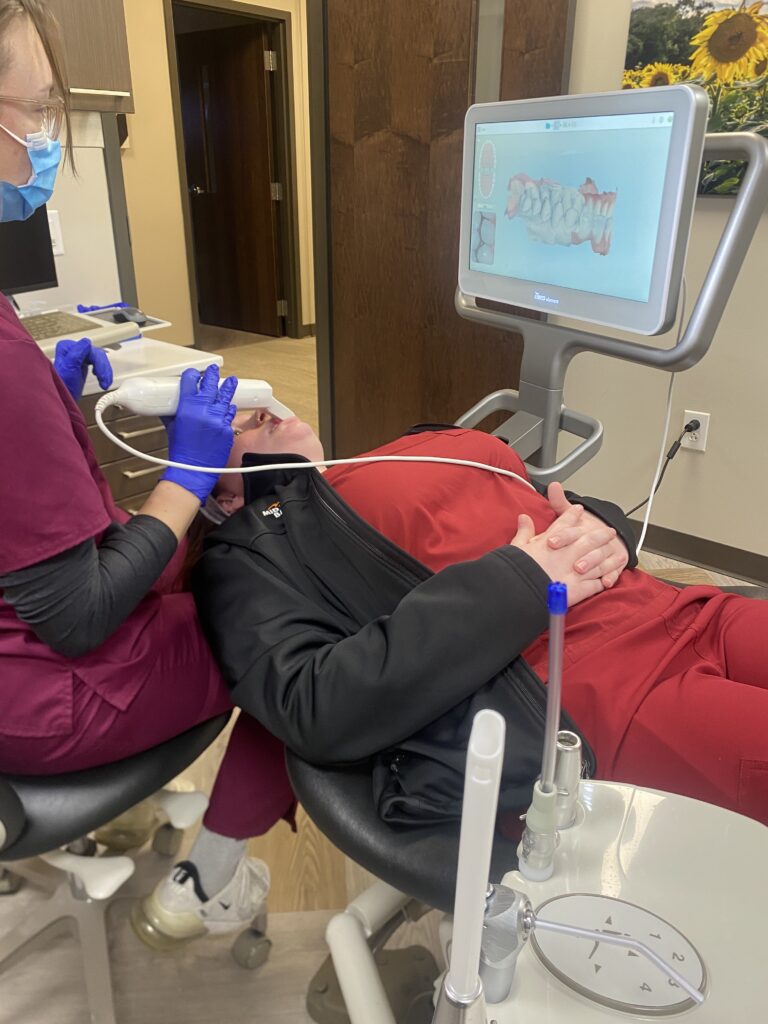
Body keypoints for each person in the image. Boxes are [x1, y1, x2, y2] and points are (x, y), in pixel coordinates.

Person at [0, 1, 294, 950]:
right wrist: (187, 472)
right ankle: (206, 881)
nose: (45, 140)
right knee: (292, 639)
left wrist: (47, 407)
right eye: (34, 112)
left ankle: (136, 819)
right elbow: (78, 613)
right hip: (48, 695)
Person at [193, 410, 768, 828]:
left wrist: (603, 526)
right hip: (608, 693)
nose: (256, 412)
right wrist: (521, 579)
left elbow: (535, 499)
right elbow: (315, 704)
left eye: (248, 403)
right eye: (232, 426)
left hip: (679, 610)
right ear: (220, 500)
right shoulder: (256, 547)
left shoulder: (412, 440)